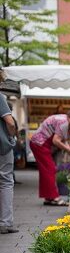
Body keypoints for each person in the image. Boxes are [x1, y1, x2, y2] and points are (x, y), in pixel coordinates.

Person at [30, 108, 70, 206]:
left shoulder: (63, 119)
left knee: (46, 171)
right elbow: (56, 141)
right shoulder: (64, 123)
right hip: (41, 144)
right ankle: (54, 198)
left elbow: (63, 141)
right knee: (49, 169)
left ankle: (49, 197)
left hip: (39, 143)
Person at [0, 71, 18, 233]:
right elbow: (10, 122)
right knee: (5, 181)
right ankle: (5, 223)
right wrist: (12, 137)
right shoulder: (0, 98)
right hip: (2, 147)